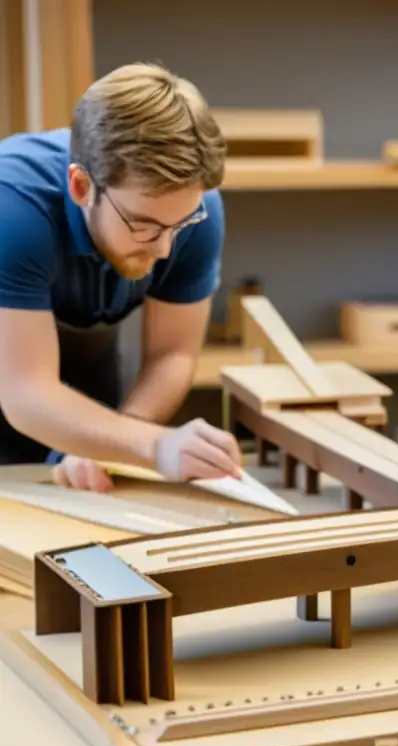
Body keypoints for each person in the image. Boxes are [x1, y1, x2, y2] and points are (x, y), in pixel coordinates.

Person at [0, 62, 244, 491]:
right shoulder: (14, 210)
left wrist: (120, 437)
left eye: (180, 224)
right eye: (143, 224)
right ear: (81, 187)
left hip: (84, 359)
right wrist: (154, 446)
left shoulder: (196, 212)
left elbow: (173, 354)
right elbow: (24, 392)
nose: (165, 248)